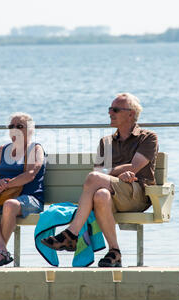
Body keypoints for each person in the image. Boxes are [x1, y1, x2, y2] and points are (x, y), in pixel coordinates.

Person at [41, 93, 158, 267]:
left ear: (131, 114)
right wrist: (117, 174)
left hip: (136, 195)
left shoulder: (148, 137)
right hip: (113, 193)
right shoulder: (106, 141)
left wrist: (111, 173)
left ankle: (72, 233)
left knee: (95, 179)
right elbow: (98, 172)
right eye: (110, 109)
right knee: (101, 195)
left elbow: (134, 168)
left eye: (115, 110)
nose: (110, 113)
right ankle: (114, 252)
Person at [0, 112, 46, 268]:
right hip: (3, 197)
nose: (15, 129)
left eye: (19, 126)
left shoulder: (36, 149)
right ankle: (1, 250)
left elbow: (30, 174)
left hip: (31, 199)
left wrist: (5, 185)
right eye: (11, 126)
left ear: (30, 130)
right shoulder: (2, 150)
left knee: (10, 205)